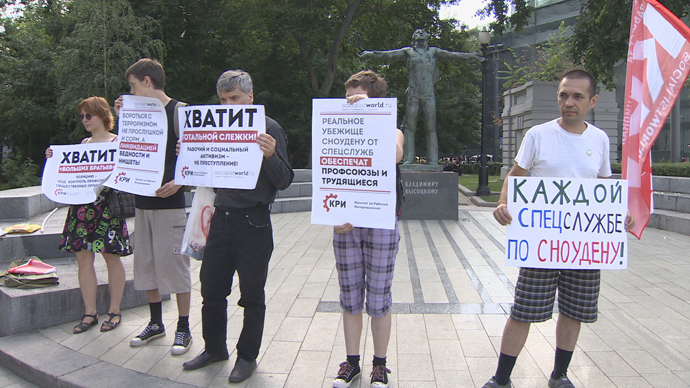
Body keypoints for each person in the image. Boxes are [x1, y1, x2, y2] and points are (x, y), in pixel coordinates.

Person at [482, 69, 635, 388]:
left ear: (592, 101)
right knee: (523, 309)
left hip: (584, 245)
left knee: (574, 311)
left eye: (577, 96)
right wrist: (502, 202)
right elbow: (516, 174)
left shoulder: (600, 139)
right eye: (563, 95)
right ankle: (501, 379)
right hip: (542, 243)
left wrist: (619, 214)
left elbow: (603, 187)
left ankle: (559, 374)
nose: (569, 102)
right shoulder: (538, 135)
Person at [182, 70, 294, 384]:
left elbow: (284, 180)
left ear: (250, 98)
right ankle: (215, 348)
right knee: (211, 290)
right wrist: (188, 158)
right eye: (223, 99)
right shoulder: (211, 128)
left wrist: (270, 155)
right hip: (219, 219)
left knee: (252, 294)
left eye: (234, 98)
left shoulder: (269, 129)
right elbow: (199, 176)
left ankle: (247, 356)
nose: (229, 104)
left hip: (253, 221)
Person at [113, 58, 192, 356]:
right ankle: (156, 323)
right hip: (142, 204)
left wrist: (180, 182)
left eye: (133, 85)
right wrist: (123, 116)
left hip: (170, 205)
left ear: (148, 81)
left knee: (175, 267)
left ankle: (183, 328)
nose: (130, 92)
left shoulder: (179, 112)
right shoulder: (134, 114)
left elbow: (198, 157)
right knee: (145, 265)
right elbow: (127, 151)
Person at [330, 70, 404, 388]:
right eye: (348, 99)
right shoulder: (336, 132)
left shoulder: (393, 131)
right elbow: (328, 171)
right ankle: (352, 363)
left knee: (378, 298)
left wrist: (373, 113)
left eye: (356, 97)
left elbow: (397, 153)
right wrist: (331, 211)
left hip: (381, 221)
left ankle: (379, 365)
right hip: (346, 223)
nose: (351, 104)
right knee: (349, 297)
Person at [46, 96, 132, 334]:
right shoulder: (83, 144)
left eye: (88, 115)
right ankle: (90, 312)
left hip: (108, 208)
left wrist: (124, 113)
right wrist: (53, 161)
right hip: (82, 208)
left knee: (111, 257)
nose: (84, 120)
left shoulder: (119, 142)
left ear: (102, 116)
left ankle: (114, 310)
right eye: (82, 116)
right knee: (83, 260)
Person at [359, 29, 481, 164]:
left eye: (422, 32)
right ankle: (408, 159)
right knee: (410, 127)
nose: (420, 33)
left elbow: (452, 55)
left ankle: (433, 160)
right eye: (417, 32)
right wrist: (372, 54)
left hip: (428, 94)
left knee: (431, 127)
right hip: (413, 94)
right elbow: (389, 55)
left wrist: (470, 56)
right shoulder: (408, 52)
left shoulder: (433, 52)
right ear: (413, 38)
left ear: (427, 37)